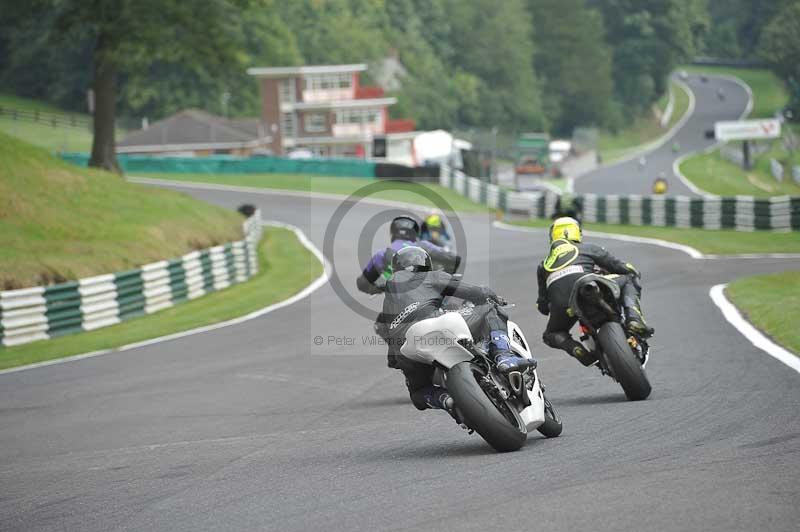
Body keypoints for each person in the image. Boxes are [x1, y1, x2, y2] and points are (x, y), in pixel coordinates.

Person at [378, 246, 532, 413]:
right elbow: (474, 292)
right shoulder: (429, 276)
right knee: (490, 309)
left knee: (418, 392)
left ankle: (446, 400)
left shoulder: (387, 302)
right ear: (424, 263)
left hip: (406, 346)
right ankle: (504, 356)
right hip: (431, 322)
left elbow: (392, 359)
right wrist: (491, 296)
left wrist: (402, 363)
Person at [536, 217, 653, 367]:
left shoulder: (543, 265)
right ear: (577, 233)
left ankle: (579, 351)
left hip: (563, 304)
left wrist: (551, 306)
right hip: (588, 285)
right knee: (628, 279)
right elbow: (620, 267)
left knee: (552, 334)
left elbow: (543, 306)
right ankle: (635, 320)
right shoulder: (588, 248)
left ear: (553, 237)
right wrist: (633, 271)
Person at [357, 215, 459, 368]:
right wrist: (441, 274)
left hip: (403, 307)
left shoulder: (382, 255)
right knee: (457, 309)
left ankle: (401, 358)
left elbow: (362, 283)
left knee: (381, 324)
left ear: (392, 233)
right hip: (435, 299)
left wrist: (378, 287)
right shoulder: (424, 245)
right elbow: (454, 259)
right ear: (414, 233)